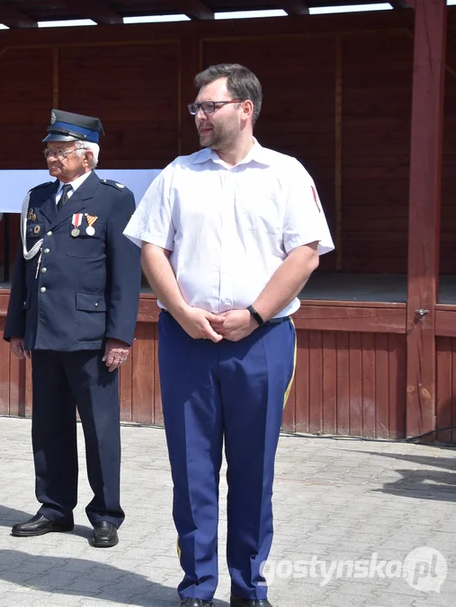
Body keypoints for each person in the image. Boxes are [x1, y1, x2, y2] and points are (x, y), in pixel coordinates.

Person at [123, 64, 333, 607]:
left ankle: (248, 587)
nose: (198, 115)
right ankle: (196, 587)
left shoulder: (286, 174)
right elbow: (151, 248)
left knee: (252, 468)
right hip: (187, 339)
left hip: (262, 340)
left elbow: (305, 252)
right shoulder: (177, 174)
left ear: (245, 108)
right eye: (195, 107)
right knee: (191, 471)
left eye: (208, 106)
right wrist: (181, 310)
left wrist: (258, 314)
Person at [3, 109, 141, 548]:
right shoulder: (39, 197)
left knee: (99, 428)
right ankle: (55, 506)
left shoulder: (113, 199)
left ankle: (105, 514)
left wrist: (119, 335)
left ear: (88, 157)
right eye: (49, 151)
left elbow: (125, 273)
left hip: (90, 333)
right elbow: (24, 268)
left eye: (61, 151)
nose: (52, 158)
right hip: (44, 330)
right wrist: (17, 326)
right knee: (48, 426)